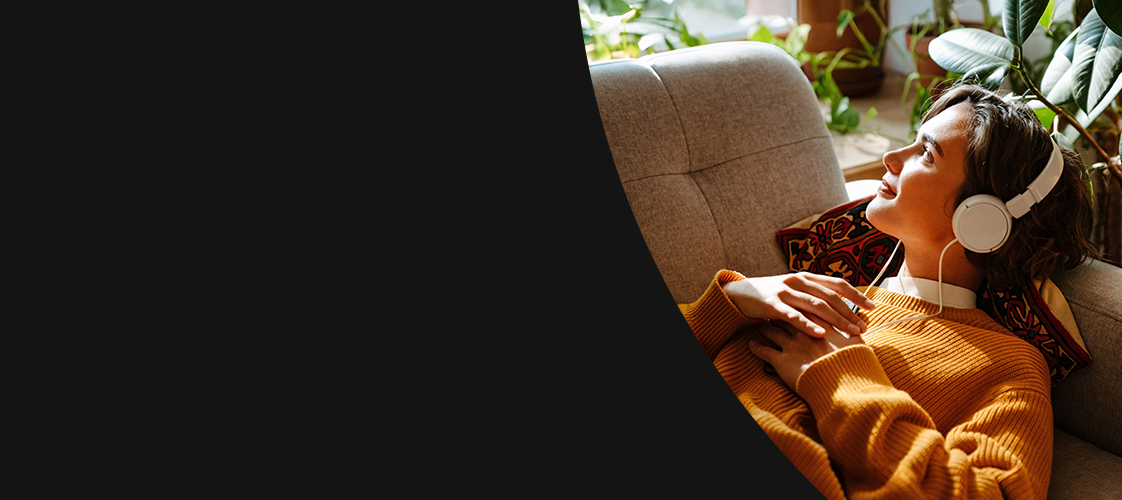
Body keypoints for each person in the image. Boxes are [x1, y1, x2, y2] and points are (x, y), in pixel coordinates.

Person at [678, 83, 1095, 500]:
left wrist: (842, 380)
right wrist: (735, 300)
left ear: (981, 220)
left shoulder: (1010, 367)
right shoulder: (821, 293)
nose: (890, 158)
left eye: (926, 154)